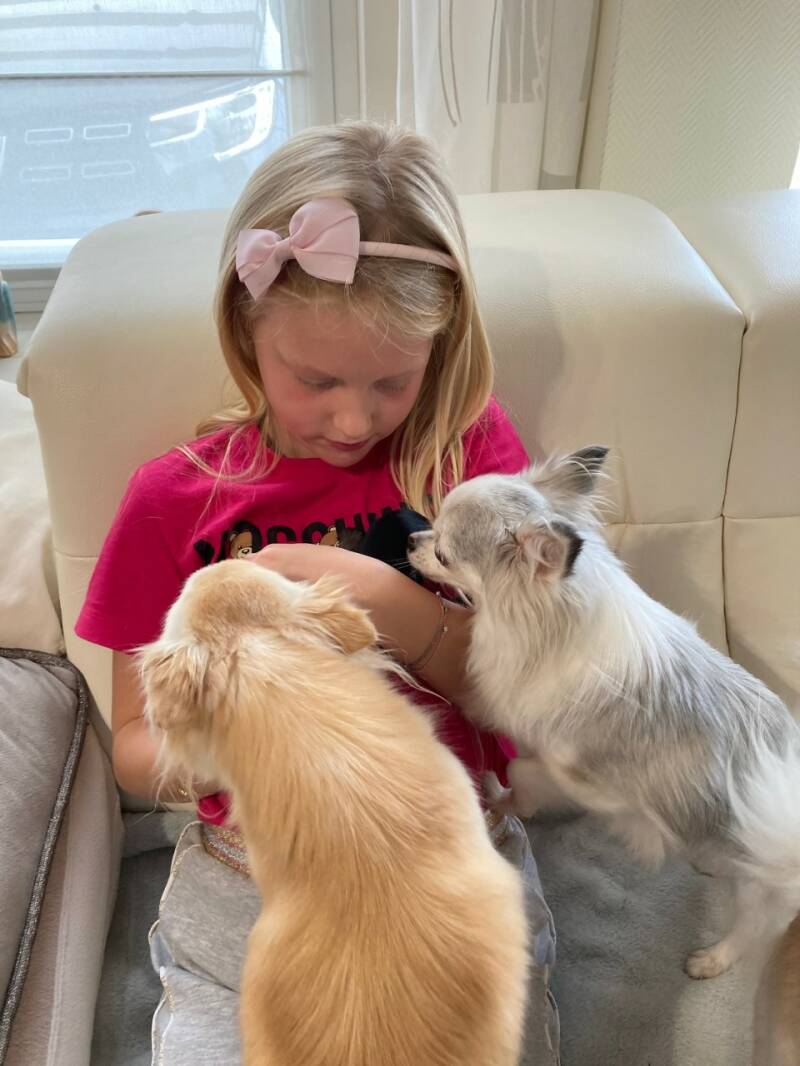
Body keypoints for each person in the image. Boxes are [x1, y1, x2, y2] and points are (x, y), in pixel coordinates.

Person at [76, 120, 559, 1065]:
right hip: (251, 866)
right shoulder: (173, 498)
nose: (352, 418)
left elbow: (529, 697)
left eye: (393, 381)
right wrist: (247, 740)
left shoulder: (470, 461)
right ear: (244, 332)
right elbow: (133, 749)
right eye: (315, 380)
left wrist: (382, 595)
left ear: (441, 349)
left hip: (442, 850)